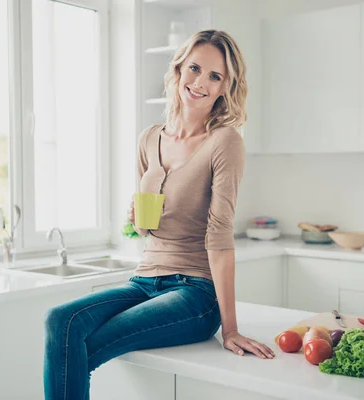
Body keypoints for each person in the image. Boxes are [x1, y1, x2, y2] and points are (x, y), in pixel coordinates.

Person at [43, 29, 274, 400]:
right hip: (144, 282)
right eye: (195, 68)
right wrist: (137, 216)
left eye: (215, 76)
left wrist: (230, 329)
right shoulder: (149, 138)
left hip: (195, 293)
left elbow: (219, 234)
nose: (200, 82)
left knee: (84, 345)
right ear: (179, 68)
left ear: (225, 88)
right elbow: (145, 229)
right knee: (61, 320)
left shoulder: (224, 141)